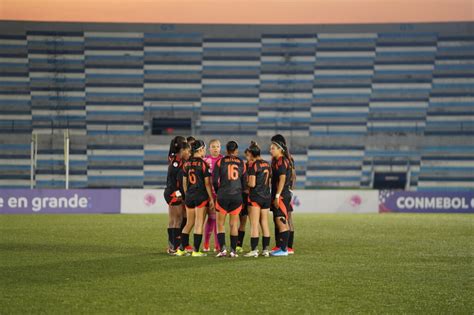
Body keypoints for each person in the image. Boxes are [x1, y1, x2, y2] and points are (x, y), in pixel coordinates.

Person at [176, 140, 215, 257]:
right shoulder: (203, 164)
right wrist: (211, 198)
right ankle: (196, 251)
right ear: (201, 149)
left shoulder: (186, 164)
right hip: (200, 196)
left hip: (189, 196)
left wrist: (187, 194)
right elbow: (207, 184)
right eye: (204, 149)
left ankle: (181, 249)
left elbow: (184, 182)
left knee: (189, 223)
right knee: (198, 224)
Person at [213, 141, 247, 258]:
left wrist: (219, 191)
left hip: (223, 195)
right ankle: (233, 251)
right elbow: (244, 183)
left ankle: (222, 249)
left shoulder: (220, 161)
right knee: (233, 224)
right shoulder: (242, 162)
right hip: (236, 196)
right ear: (236, 150)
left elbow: (214, 181)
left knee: (220, 224)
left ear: (226, 151)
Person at [244, 141, 272, 258]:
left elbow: (252, 183)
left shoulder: (253, 165)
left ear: (252, 154)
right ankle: (265, 250)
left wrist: (244, 182)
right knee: (264, 223)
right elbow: (269, 182)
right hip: (266, 196)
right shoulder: (267, 164)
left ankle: (254, 250)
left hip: (255, 197)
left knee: (254, 224)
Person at [164, 138, 190, 255]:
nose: (189, 154)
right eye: (187, 151)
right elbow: (176, 181)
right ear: (182, 150)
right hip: (173, 193)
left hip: (172, 192)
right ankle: (174, 247)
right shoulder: (177, 162)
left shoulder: (174, 158)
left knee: (174, 220)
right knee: (177, 220)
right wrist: (180, 194)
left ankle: (173, 245)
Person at [270, 134, 296, 254]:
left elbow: (284, 177)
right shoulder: (278, 160)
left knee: (284, 219)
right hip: (282, 192)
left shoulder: (284, 160)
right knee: (279, 218)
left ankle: (286, 247)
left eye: (273, 145)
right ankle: (281, 245)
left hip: (282, 193)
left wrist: (284, 191)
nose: (271, 148)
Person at [203, 139, 224, 252]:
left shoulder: (224, 160)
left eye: (217, 146)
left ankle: (217, 245)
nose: (215, 148)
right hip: (208, 194)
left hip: (220, 194)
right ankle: (207, 244)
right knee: (211, 219)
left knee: (216, 220)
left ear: (220, 148)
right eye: (213, 146)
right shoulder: (205, 161)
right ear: (209, 148)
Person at [236, 148, 251, 252]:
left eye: (249, 155)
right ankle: (239, 245)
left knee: (256, 222)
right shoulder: (244, 166)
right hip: (244, 196)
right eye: (247, 155)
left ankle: (255, 246)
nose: (248, 157)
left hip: (254, 197)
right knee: (242, 222)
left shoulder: (256, 165)